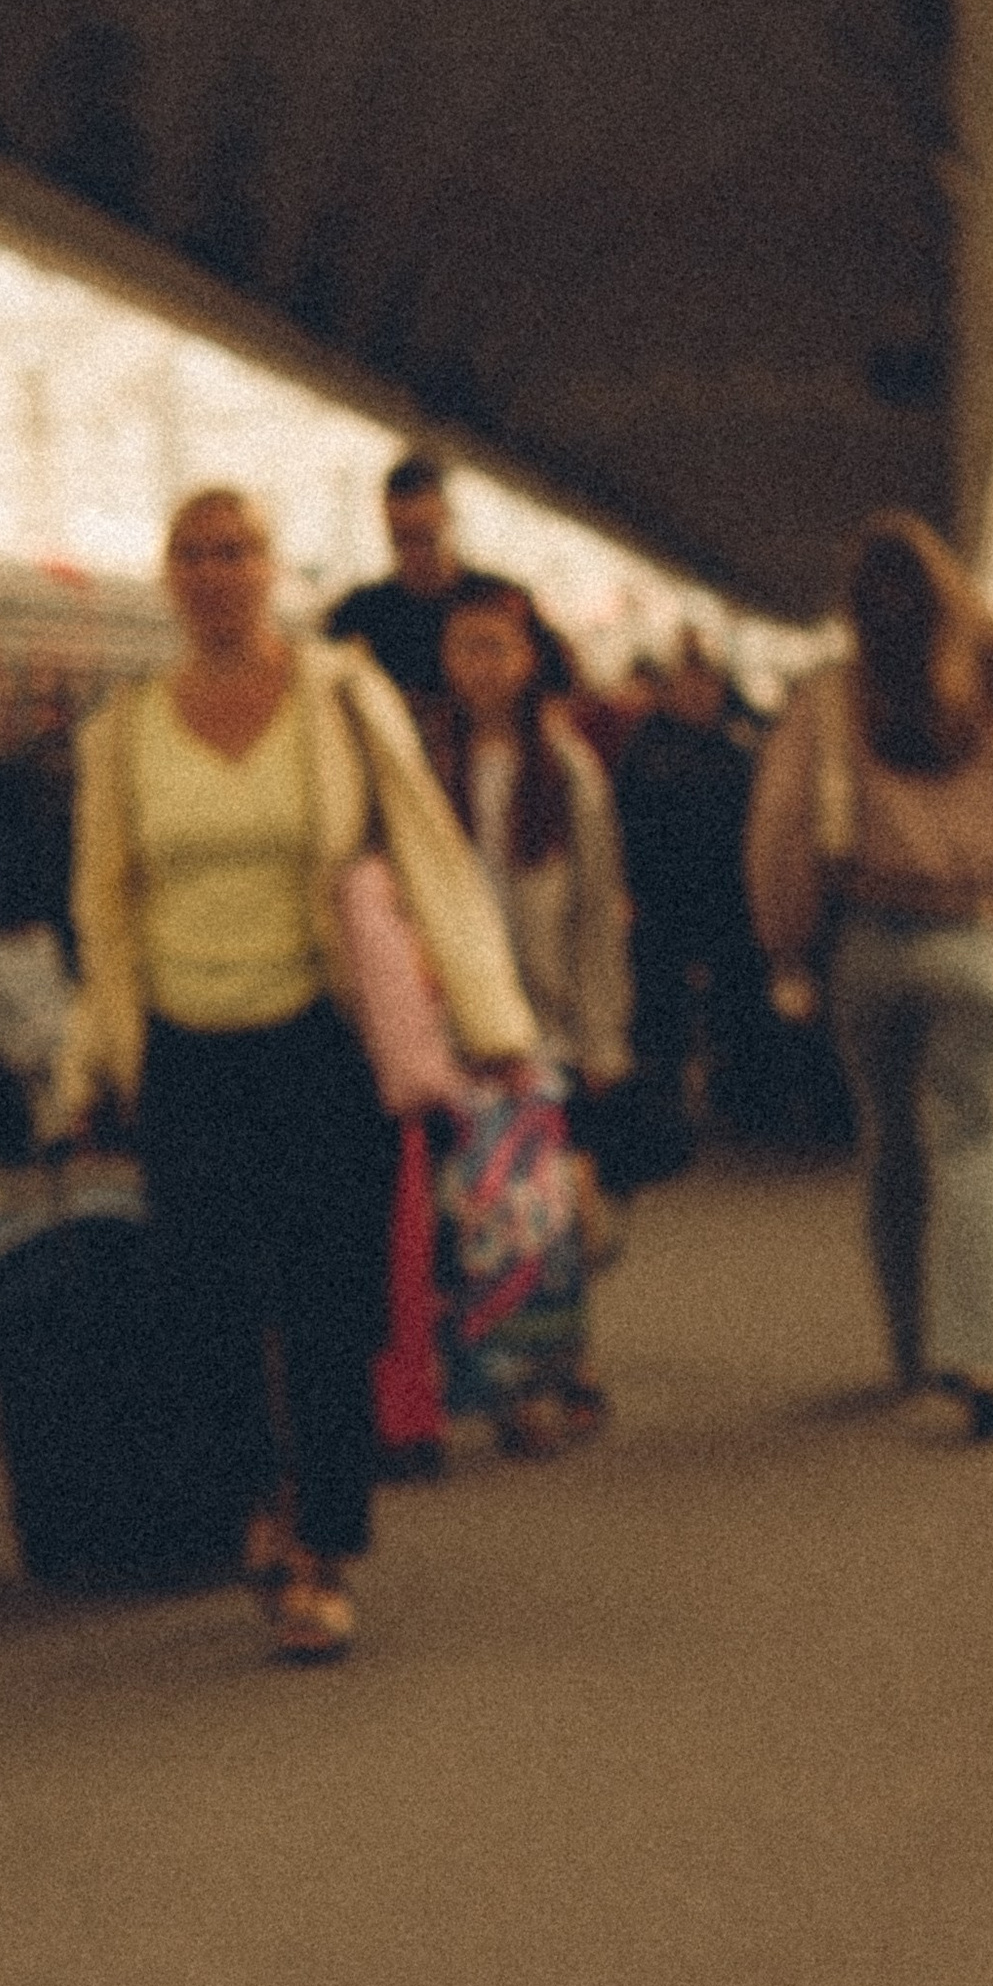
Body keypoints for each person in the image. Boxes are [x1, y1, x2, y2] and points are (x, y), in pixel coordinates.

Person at [60, 487, 535, 1658]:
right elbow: (102, 908)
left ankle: (323, 1542)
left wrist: (488, 1012)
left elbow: (427, 851)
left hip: (321, 1043)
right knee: (209, 1311)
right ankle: (259, 1509)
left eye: (239, 552)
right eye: (195, 555)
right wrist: (89, 1065)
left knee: (332, 1307)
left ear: (273, 571)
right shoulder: (124, 732)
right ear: (169, 579)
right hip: (185, 1050)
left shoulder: (339, 695)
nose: (218, 573)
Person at [745, 515, 993, 1443]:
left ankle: (914, 1349)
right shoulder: (988, 693)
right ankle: (983, 1352)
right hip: (970, 944)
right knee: (974, 1144)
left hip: (868, 949)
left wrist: (789, 952)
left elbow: (780, 834)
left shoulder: (827, 703)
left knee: (893, 1145)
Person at [427, 577, 634, 1446]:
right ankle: (514, 1381)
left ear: (528, 660)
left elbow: (596, 909)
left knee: (545, 1212)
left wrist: (600, 1037)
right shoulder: (425, 766)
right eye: (467, 646)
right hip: (453, 1026)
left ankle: (557, 1369)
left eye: (498, 648)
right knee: (479, 1208)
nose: (482, 666)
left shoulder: (569, 772)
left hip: (543, 1024)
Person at [612, 629, 772, 1160]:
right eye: (687, 683)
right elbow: (624, 825)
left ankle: (745, 1099)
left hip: (733, 902)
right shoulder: (643, 749)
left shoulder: (747, 740)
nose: (697, 695)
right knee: (661, 1016)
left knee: (740, 1006)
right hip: (663, 904)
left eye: (707, 683)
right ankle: (664, 1116)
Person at [324, 449, 569, 707]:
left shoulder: (502, 603)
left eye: (425, 537)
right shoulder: (361, 614)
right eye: (401, 539)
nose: (414, 553)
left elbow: (560, 689)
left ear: (450, 520)